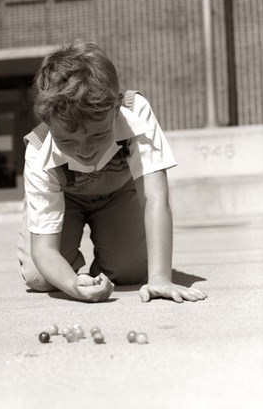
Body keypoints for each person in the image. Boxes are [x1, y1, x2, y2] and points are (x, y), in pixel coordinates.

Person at [17, 39, 207, 304]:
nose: (84, 151)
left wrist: (160, 278)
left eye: (97, 136)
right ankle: (73, 267)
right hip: (65, 200)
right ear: (48, 123)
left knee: (131, 272)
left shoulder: (135, 111)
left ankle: (110, 262)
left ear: (115, 108)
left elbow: (155, 197)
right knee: (41, 277)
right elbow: (45, 249)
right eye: (68, 142)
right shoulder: (39, 148)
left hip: (119, 194)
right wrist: (74, 286)